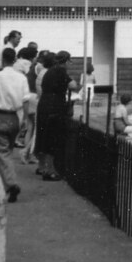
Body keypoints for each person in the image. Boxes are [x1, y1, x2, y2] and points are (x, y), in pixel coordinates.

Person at [0, 47, 33, 203]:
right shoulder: (22, 78)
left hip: (0, 116)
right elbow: (26, 100)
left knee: (3, 153)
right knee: (8, 152)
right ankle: (8, 186)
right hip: (15, 118)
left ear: (3, 60)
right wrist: (24, 119)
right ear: (14, 60)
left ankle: (11, 185)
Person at [34, 51, 78, 181]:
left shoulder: (49, 71)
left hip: (44, 105)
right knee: (52, 139)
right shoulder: (60, 71)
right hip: (54, 107)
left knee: (42, 136)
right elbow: (73, 85)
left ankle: (41, 166)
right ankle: (49, 170)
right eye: (69, 61)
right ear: (66, 61)